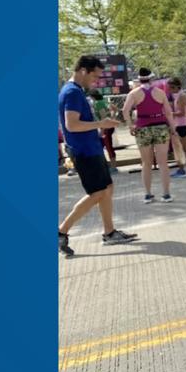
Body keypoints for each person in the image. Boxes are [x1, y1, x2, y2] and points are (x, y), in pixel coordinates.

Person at [58, 56, 138, 257]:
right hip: (84, 151)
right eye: (95, 75)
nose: (96, 80)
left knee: (107, 188)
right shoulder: (72, 92)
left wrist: (100, 125)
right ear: (83, 71)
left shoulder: (76, 91)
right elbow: (72, 125)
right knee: (97, 193)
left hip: (90, 148)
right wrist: (101, 124)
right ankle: (61, 231)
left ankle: (109, 232)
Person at [122, 68, 177, 204]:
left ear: (139, 79)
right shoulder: (160, 92)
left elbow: (125, 110)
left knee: (146, 163)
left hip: (142, 128)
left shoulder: (134, 93)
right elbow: (168, 113)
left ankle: (148, 194)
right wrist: (173, 128)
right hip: (160, 127)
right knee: (163, 163)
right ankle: (166, 194)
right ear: (151, 79)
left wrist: (130, 125)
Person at [88, 89, 119, 173]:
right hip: (109, 126)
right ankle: (106, 166)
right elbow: (115, 109)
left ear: (92, 97)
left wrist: (102, 130)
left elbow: (103, 117)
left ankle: (113, 167)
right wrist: (112, 118)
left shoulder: (98, 103)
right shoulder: (104, 100)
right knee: (102, 146)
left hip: (106, 128)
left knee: (108, 146)